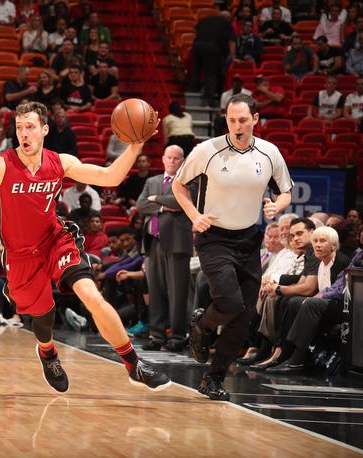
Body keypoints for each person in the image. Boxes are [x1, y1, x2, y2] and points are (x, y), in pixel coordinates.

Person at [0, 101, 171, 393]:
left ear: (44, 130)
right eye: (19, 127)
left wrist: (136, 146)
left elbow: (109, 177)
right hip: (21, 254)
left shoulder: (60, 162)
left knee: (91, 295)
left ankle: (133, 364)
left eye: (30, 127)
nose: (24, 134)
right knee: (43, 316)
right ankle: (47, 352)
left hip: (55, 240)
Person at [172, 93, 293, 401]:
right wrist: (195, 216)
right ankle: (201, 323)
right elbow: (178, 184)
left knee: (244, 317)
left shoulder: (269, 153)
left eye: (242, 120)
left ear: (255, 120)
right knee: (230, 303)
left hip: (248, 238)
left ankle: (213, 378)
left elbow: (285, 192)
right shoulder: (206, 151)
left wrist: (276, 206)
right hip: (213, 237)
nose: (237, 126)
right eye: (231, 120)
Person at [266, 226, 351, 373]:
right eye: (315, 241)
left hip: (342, 306)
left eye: (322, 241)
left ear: (333, 246)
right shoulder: (320, 262)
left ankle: (297, 361)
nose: (317, 245)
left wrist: (317, 297)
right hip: (325, 304)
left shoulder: (341, 261)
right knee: (294, 302)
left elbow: (338, 291)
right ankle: (285, 353)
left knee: (311, 303)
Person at [136, 145, 192, 352]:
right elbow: (141, 204)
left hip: (177, 244)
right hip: (153, 242)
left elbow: (179, 202)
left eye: (176, 158)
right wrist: (162, 206)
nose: (172, 161)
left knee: (177, 293)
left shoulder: (187, 181)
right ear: (162, 159)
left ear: (183, 161)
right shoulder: (152, 181)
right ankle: (157, 335)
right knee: (155, 291)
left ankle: (177, 337)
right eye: (169, 157)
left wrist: (155, 199)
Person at [189, 11, 236, 106]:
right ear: (228, 18)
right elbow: (232, 41)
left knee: (196, 69)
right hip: (212, 48)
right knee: (210, 73)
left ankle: (193, 89)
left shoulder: (205, 19)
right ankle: (210, 99)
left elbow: (195, 30)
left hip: (197, 46)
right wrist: (233, 57)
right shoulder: (227, 24)